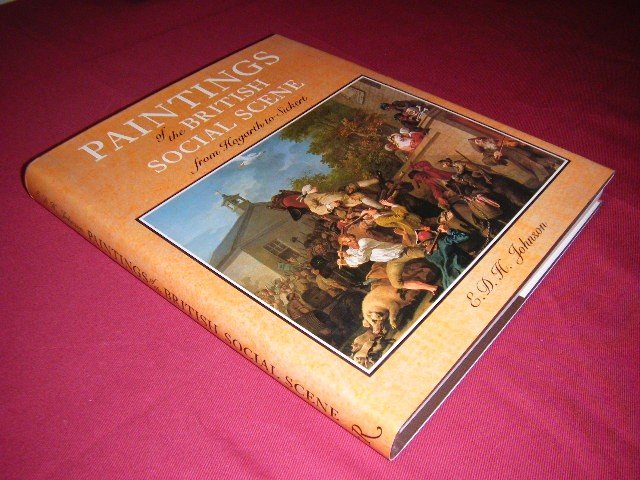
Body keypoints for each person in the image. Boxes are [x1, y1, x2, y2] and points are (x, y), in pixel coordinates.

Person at [337, 234, 438, 294]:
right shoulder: (350, 251)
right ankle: (433, 288)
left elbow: (361, 259)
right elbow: (354, 264)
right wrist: (343, 260)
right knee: (397, 284)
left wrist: (346, 258)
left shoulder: (364, 242)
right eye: (350, 241)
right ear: (345, 244)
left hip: (402, 252)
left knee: (430, 252)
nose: (354, 241)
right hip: (393, 261)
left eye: (353, 238)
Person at [423, 225, 472, 289]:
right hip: (458, 273)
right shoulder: (441, 243)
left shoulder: (442, 242)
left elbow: (464, 237)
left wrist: (448, 231)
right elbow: (464, 236)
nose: (426, 246)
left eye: (427, 243)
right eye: (424, 244)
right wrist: (448, 231)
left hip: (451, 279)